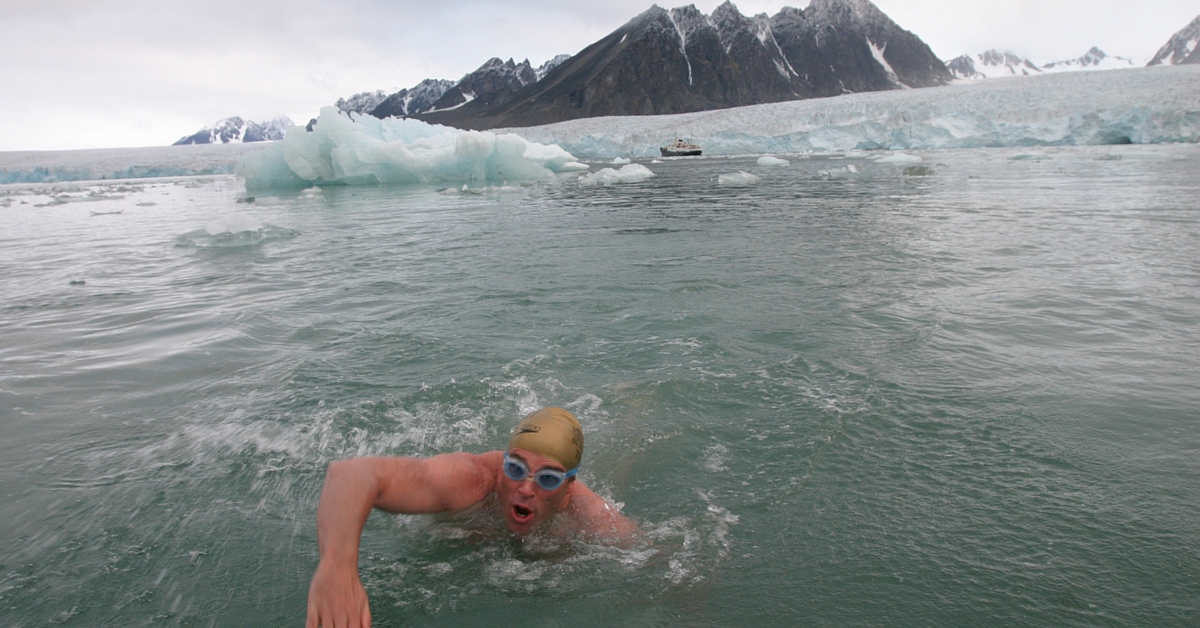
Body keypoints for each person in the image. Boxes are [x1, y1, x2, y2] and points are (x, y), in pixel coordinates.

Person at [305, 407, 637, 628]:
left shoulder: (594, 516)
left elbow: (659, 565)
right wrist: (337, 568)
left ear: (568, 487)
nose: (525, 488)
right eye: (515, 468)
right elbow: (349, 475)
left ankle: (634, 410)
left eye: (548, 479)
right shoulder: (471, 479)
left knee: (621, 469)